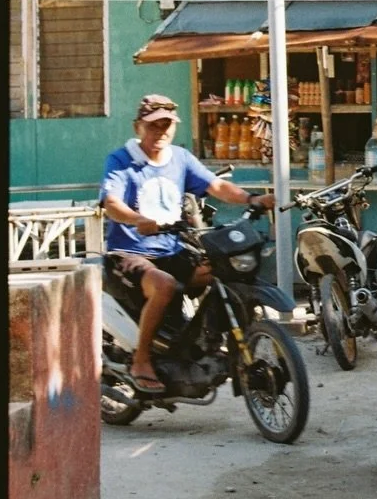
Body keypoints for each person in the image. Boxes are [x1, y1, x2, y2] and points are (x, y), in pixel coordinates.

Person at [101, 93, 275, 395]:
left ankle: (205, 340)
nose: (161, 131)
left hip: (172, 249)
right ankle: (141, 360)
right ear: (138, 127)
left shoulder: (180, 158)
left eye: (167, 125)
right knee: (165, 285)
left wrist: (252, 199)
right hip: (128, 253)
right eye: (154, 125)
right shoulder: (121, 161)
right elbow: (111, 202)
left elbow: (216, 185)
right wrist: (136, 219)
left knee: (224, 269)